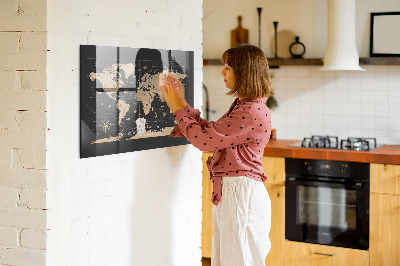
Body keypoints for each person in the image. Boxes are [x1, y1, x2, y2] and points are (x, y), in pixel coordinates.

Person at [161, 44, 273, 266]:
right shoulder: (246, 106)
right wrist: (182, 104)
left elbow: (204, 141)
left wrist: (176, 108)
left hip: (241, 195)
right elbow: (212, 133)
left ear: (244, 72)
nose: (222, 72)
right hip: (236, 193)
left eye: (228, 67)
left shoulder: (250, 111)